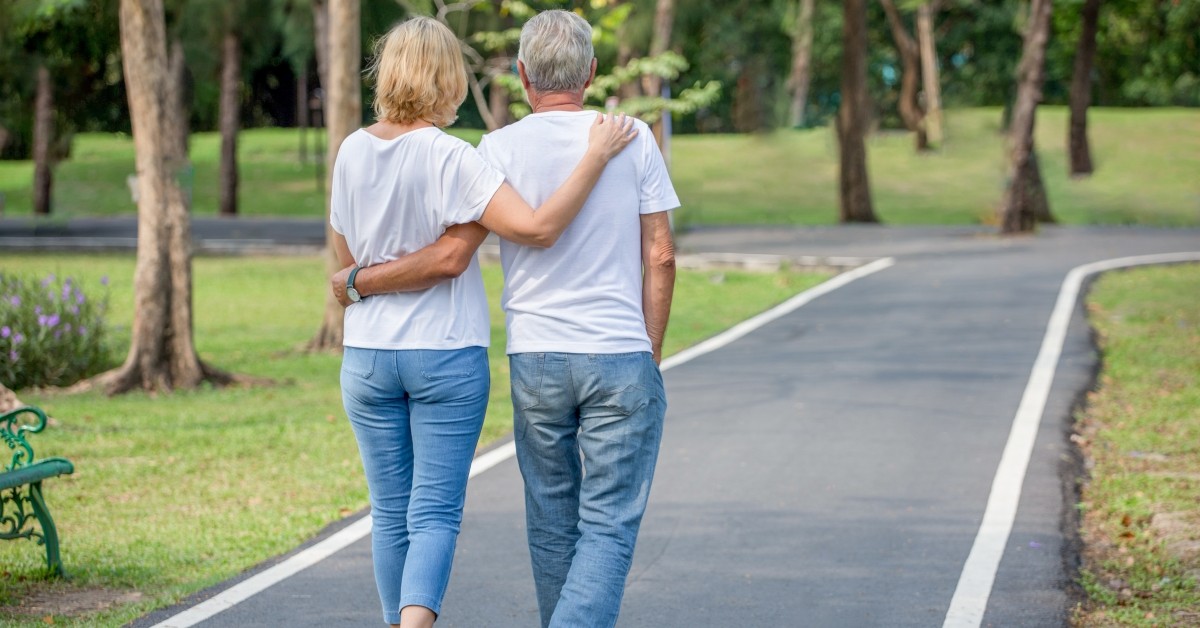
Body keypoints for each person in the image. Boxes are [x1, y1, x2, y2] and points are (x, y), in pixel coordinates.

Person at [334, 10, 678, 627]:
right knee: (600, 525)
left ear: (521, 75)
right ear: (592, 72)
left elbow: (356, 254)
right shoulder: (623, 138)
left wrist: (356, 283)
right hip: (578, 351)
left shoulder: (476, 148)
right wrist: (649, 352)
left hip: (511, 357)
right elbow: (653, 251)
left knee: (535, 522)